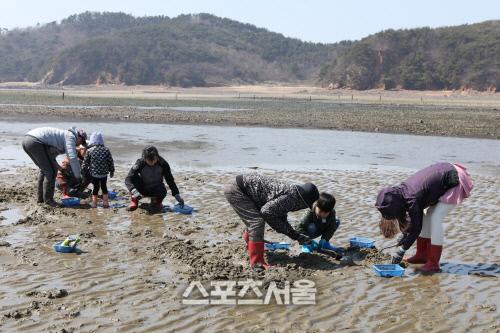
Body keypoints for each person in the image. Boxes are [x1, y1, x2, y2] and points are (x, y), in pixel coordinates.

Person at [375, 162, 473, 273]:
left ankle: (434, 263)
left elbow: (417, 228)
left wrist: (402, 250)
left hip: (454, 177)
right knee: (428, 217)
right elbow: (415, 222)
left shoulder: (412, 199)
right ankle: (422, 255)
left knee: (436, 218)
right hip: (443, 172)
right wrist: (405, 235)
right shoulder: (401, 193)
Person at [224, 173, 319, 271]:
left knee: (256, 219)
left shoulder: (293, 194)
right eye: (306, 206)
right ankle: (257, 263)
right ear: (303, 202)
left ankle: (250, 239)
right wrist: (295, 235)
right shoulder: (292, 198)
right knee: (256, 222)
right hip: (237, 189)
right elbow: (267, 212)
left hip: (242, 187)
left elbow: (281, 219)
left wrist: (297, 236)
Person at [22, 126, 87, 207]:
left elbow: (51, 157)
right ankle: (49, 200)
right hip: (35, 141)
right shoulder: (70, 137)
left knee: (44, 170)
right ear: (79, 137)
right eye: (82, 142)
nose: (80, 144)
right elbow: (72, 158)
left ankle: (41, 199)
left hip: (27, 140)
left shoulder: (62, 137)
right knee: (51, 172)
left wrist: (60, 168)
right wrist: (78, 177)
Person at [125, 146, 184, 212]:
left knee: (162, 191)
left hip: (156, 188)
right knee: (133, 177)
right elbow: (128, 179)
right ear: (144, 158)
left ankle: (156, 202)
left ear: (157, 156)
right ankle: (134, 200)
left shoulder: (163, 163)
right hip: (142, 189)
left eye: (154, 159)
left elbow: (170, 180)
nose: (152, 162)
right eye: (149, 160)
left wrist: (176, 194)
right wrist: (133, 191)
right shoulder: (140, 163)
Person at [82, 132, 115, 208]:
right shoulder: (106, 150)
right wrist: (112, 171)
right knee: (104, 187)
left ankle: (94, 204)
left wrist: (83, 172)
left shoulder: (90, 150)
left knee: (95, 188)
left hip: (94, 174)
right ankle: (106, 203)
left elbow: (85, 163)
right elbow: (110, 161)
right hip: (104, 174)